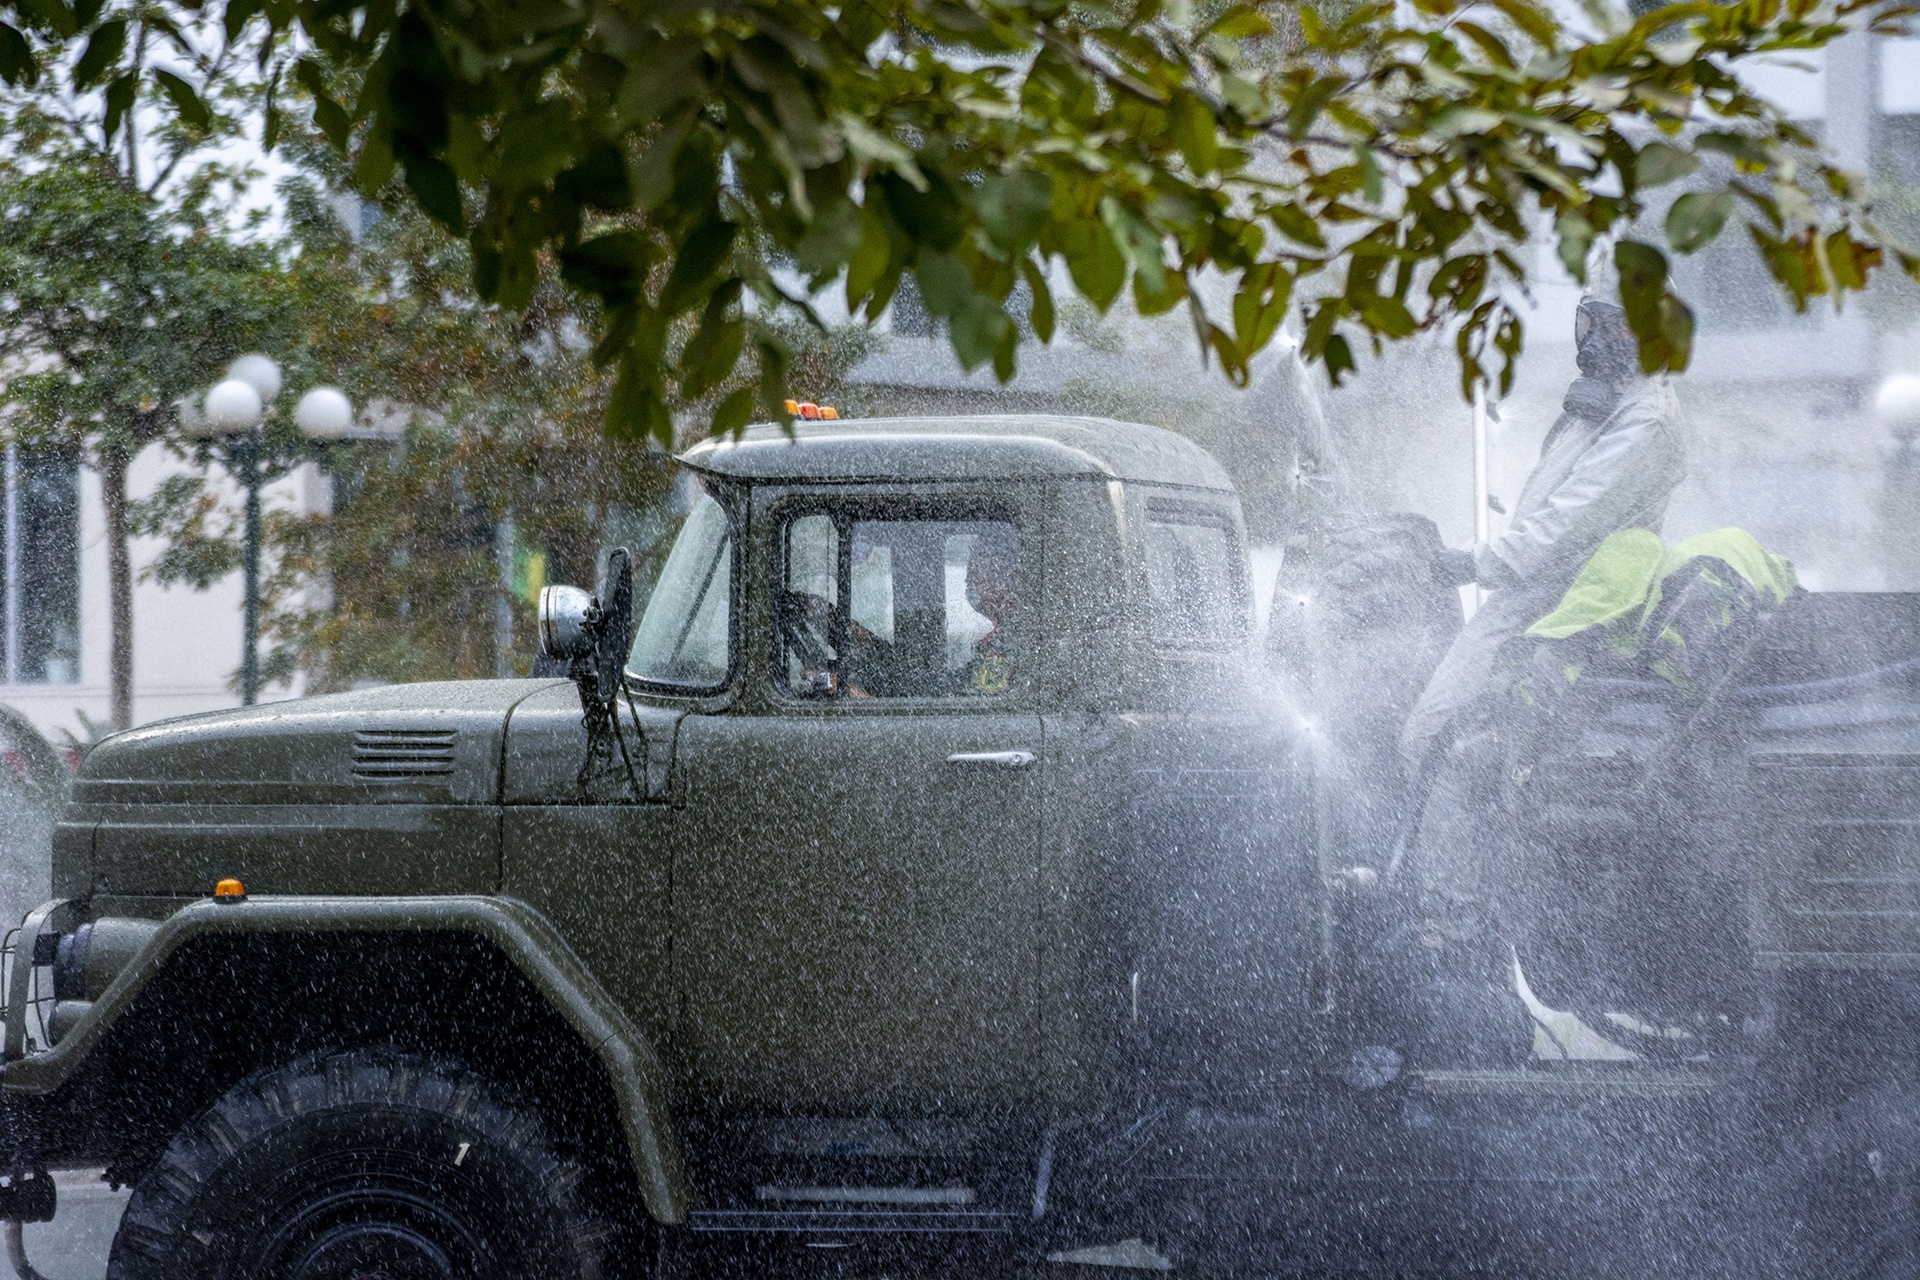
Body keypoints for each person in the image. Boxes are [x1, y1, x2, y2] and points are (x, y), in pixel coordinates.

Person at [1385, 296, 1688, 1062]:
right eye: (1584, 323)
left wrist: (1471, 562)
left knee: (1439, 743)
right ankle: (1465, 924)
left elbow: (1564, 527)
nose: (1589, 340)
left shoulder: (1646, 422)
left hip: (1556, 607)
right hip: (1533, 593)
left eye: (1607, 326)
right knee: (1455, 752)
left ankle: (1455, 932)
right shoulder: (1608, 408)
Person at [961, 529, 1017, 696]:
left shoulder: (1011, 640)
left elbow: (983, 695)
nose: (969, 580)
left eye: (976, 569)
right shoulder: (1001, 633)